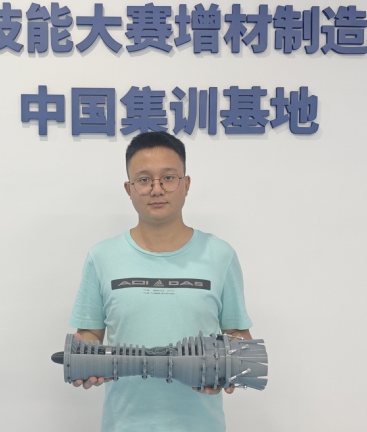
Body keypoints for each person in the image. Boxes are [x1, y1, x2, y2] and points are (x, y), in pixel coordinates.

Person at [68, 131, 253, 431]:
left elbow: (237, 334)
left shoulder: (220, 255)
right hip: (124, 424)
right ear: (129, 189)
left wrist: (230, 367)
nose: (157, 189)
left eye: (168, 178)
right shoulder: (102, 256)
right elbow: (90, 333)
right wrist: (85, 359)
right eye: (144, 180)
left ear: (186, 184)